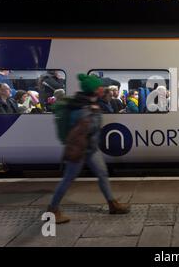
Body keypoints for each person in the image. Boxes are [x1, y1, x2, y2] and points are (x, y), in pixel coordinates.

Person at [47, 74, 130, 224]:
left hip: (91, 149)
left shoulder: (90, 103)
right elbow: (86, 128)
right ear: (94, 90)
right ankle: (52, 210)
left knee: (103, 174)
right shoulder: (83, 107)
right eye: (99, 87)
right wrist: (92, 115)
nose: (102, 89)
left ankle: (112, 204)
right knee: (68, 179)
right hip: (80, 150)